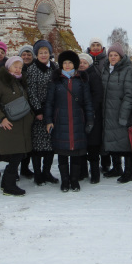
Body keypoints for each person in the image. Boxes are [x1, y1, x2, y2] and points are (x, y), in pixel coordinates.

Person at [45, 51, 94, 192]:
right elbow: (49, 103)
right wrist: (49, 120)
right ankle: (65, 181)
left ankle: (74, 180)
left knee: (76, 154)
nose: (67, 65)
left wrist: (90, 119)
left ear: (75, 65)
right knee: (62, 153)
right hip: (60, 121)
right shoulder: (56, 81)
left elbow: (88, 102)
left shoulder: (81, 80)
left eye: (70, 63)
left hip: (78, 120)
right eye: (65, 63)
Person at [0, 56, 34, 196]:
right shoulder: (0, 82)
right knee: (16, 155)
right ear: (8, 67)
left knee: (19, 154)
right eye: (15, 66)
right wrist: (1, 118)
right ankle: (9, 185)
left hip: (23, 124)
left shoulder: (19, 81)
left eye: (20, 67)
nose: (18, 69)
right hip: (10, 125)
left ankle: (6, 183)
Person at [26, 39, 59, 185]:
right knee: (37, 145)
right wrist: (37, 109)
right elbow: (31, 91)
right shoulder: (32, 69)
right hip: (38, 111)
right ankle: (38, 173)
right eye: (41, 52)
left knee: (50, 143)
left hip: (52, 109)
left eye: (46, 52)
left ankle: (47, 172)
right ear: (36, 54)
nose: (44, 55)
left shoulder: (55, 67)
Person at [101, 43, 132, 183]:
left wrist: (124, 114)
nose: (113, 57)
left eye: (116, 55)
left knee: (125, 143)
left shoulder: (127, 71)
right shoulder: (106, 70)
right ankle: (116, 168)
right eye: (110, 55)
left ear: (121, 56)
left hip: (120, 111)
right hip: (107, 111)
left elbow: (129, 94)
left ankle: (128, 172)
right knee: (112, 140)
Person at [78, 52, 103, 183]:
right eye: (80, 62)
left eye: (85, 62)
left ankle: (95, 173)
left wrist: (90, 110)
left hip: (93, 114)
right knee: (81, 145)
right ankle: (82, 172)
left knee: (93, 145)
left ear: (89, 64)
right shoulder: (76, 76)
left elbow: (98, 94)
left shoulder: (93, 76)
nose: (82, 65)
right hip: (80, 115)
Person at [87, 37, 110, 172]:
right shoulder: (84, 60)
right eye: (93, 45)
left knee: (104, 131)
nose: (95, 47)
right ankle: (92, 162)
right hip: (91, 101)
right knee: (93, 133)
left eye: (98, 45)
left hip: (106, 100)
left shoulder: (106, 60)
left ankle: (106, 162)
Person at [17, 44, 35, 178]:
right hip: (18, 109)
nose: (26, 57)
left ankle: (25, 167)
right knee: (18, 140)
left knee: (29, 139)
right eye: (24, 54)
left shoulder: (34, 68)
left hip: (32, 108)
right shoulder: (15, 68)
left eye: (29, 54)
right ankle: (15, 167)